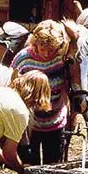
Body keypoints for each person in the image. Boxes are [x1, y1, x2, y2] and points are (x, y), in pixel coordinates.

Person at [10, 20, 69, 165]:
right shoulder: (22, 58)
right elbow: (11, 85)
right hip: (31, 125)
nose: (47, 54)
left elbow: (72, 80)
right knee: (31, 165)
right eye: (43, 49)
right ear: (35, 43)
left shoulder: (62, 58)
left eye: (51, 49)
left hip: (56, 121)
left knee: (54, 165)